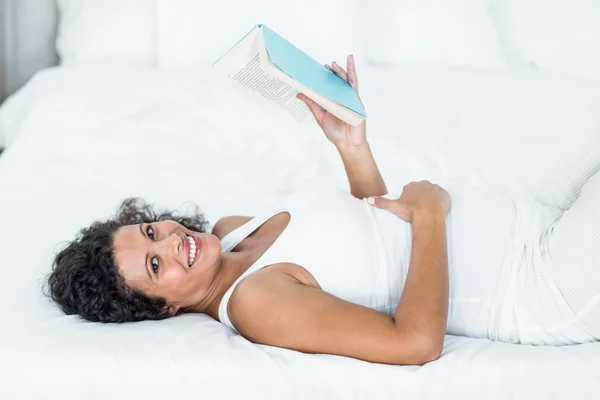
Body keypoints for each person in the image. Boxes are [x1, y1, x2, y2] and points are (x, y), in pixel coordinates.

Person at [44, 55, 600, 366]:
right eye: (156, 266)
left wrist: (350, 144)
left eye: (149, 231)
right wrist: (430, 217)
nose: (170, 242)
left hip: (530, 216)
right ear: (162, 311)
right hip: (536, 288)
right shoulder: (256, 303)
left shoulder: (234, 232)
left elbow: (373, 238)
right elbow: (413, 343)